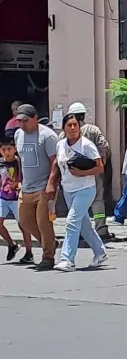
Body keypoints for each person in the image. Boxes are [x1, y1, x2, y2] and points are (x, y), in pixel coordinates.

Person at [53, 113, 108, 271]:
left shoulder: (87, 145)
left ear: (79, 127)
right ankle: (100, 252)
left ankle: (67, 259)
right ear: (64, 128)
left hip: (85, 188)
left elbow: (99, 167)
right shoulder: (60, 144)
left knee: (71, 222)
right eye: (69, 125)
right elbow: (59, 165)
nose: (72, 128)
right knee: (83, 225)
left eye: (75, 125)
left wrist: (82, 173)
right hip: (68, 190)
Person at [59, 102, 113, 241]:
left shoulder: (63, 134)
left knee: (76, 206)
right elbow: (104, 146)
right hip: (92, 172)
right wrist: (101, 162)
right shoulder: (93, 130)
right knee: (97, 201)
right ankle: (100, 229)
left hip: (72, 175)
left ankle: (80, 232)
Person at [14, 104, 58, 270]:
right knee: (24, 220)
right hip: (26, 187)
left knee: (43, 222)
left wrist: (51, 184)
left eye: (25, 120)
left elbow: (55, 162)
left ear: (34, 118)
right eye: (20, 121)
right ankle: (50, 243)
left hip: (43, 186)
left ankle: (48, 257)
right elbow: (21, 160)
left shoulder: (47, 136)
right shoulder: (19, 135)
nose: (22, 125)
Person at [0, 138, 33, 263]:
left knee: (23, 225)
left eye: (9, 149)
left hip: (16, 198)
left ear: (15, 149)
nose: (7, 152)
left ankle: (29, 252)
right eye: (3, 150)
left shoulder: (19, 162)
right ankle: (11, 244)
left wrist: (20, 185)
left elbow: (25, 177)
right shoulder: (0, 163)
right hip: (3, 197)